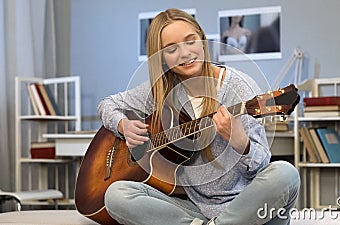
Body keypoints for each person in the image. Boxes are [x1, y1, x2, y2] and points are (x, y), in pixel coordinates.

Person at [97, 8, 300, 225]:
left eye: (190, 41)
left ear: (202, 41)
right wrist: (122, 125)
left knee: (285, 174)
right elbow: (107, 104)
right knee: (117, 194)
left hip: (246, 204)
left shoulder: (238, 86)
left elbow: (261, 168)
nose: (185, 53)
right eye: (172, 49)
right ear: (162, 58)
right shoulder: (159, 91)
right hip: (193, 208)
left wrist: (242, 143)